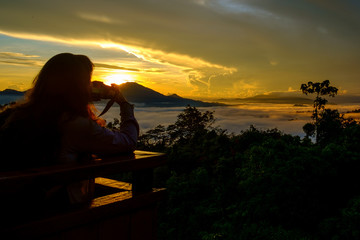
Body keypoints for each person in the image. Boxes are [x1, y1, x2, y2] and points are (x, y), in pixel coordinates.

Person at [0, 53, 139, 210]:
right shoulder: (73, 123)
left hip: (13, 207)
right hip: (54, 212)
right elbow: (127, 142)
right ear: (78, 87)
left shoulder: (14, 113)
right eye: (87, 82)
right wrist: (124, 103)